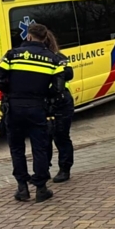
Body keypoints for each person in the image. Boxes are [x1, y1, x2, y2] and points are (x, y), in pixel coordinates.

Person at [0, 23, 66, 202]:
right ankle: (41, 189)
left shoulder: (12, 55)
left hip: (14, 108)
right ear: (45, 38)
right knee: (39, 148)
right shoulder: (53, 59)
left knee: (17, 148)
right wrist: (44, 96)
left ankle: (22, 188)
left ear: (29, 36)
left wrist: (10, 92)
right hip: (37, 107)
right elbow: (58, 88)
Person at [44, 30, 74, 183]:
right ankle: (43, 170)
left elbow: (67, 76)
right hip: (44, 102)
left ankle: (64, 169)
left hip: (61, 102)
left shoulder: (59, 58)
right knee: (44, 138)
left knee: (61, 136)